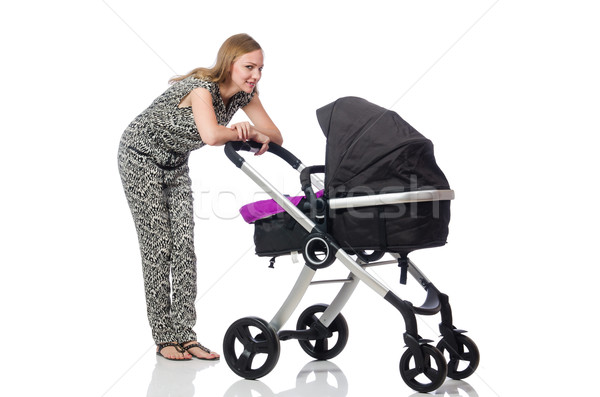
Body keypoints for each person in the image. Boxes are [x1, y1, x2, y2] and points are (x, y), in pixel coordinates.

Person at [118, 33, 282, 361]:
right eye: (249, 67)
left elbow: (276, 136)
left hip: (175, 163)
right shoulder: (202, 88)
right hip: (140, 155)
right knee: (158, 246)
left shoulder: (244, 95)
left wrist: (258, 132)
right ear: (229, 64)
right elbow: (210, 135)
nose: (256, 76)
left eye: (260, 69)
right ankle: (165, 337)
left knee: (184, 248)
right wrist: (243, 131)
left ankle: (186, 336)